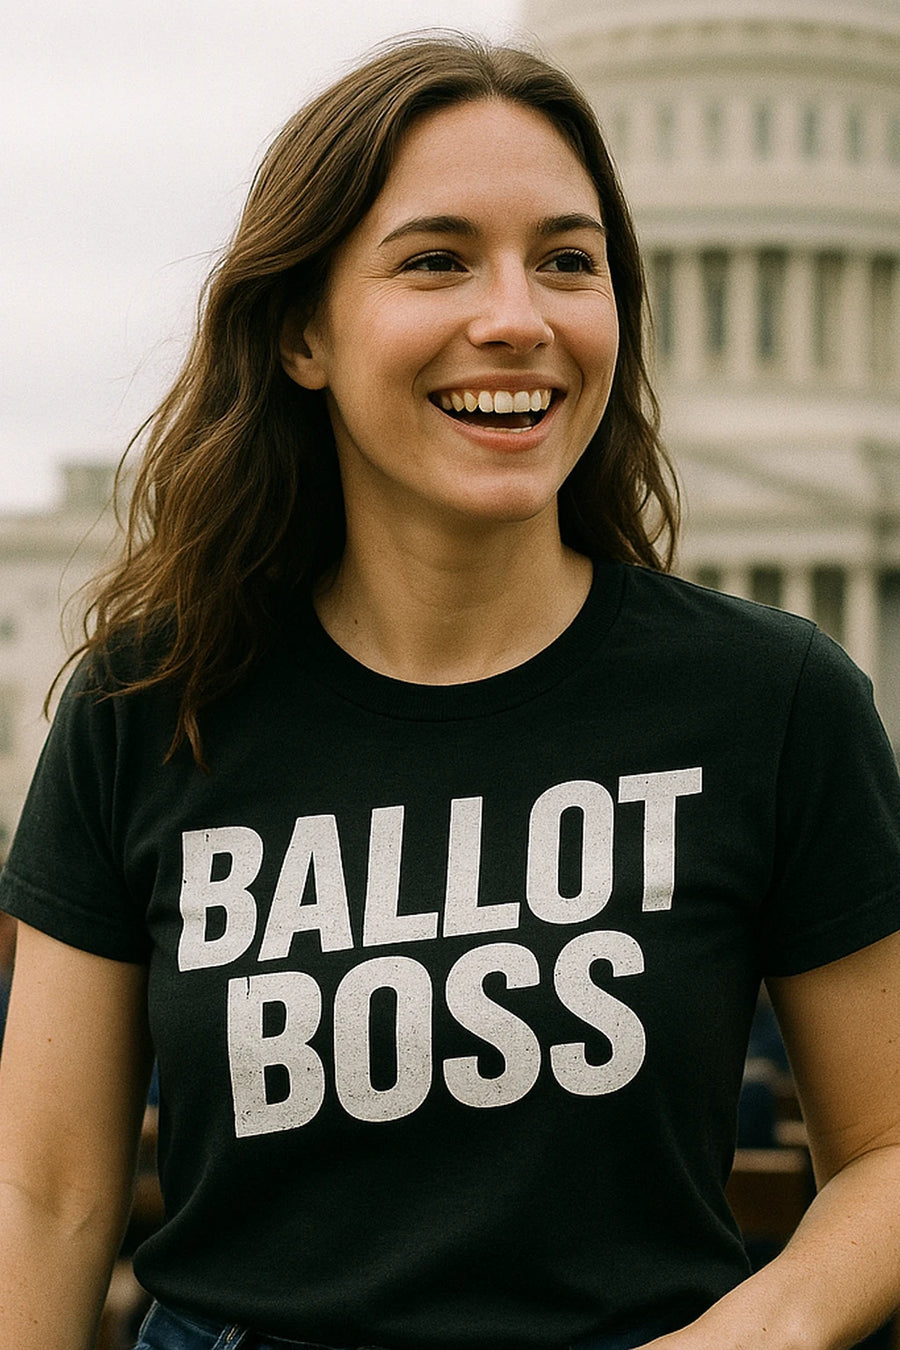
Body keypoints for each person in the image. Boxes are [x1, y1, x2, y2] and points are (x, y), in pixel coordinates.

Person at [0, 31, 898, 1350]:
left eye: (567, 260)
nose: (518, 318)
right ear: (301, 330)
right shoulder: (149, 702)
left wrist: (750, 1335)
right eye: (436, 258)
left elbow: (885, 1144)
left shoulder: (775, 700)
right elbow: (49, 1188)